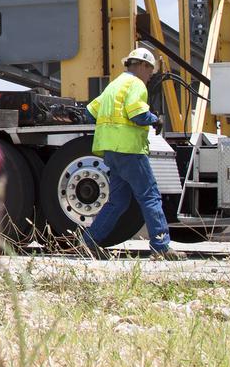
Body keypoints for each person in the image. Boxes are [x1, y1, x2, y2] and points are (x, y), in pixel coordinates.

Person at [80, 47, 186, 261]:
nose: (150, 76)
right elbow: (137, 113)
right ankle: (161, 246)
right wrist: (155, 119)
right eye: (150, 71)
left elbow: (90, 112)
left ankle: (89, 242)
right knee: (150, 196)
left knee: (117, 201)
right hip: (130, 150)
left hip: (111, 151)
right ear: (143, 66)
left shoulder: (115, 85)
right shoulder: (136, 84)